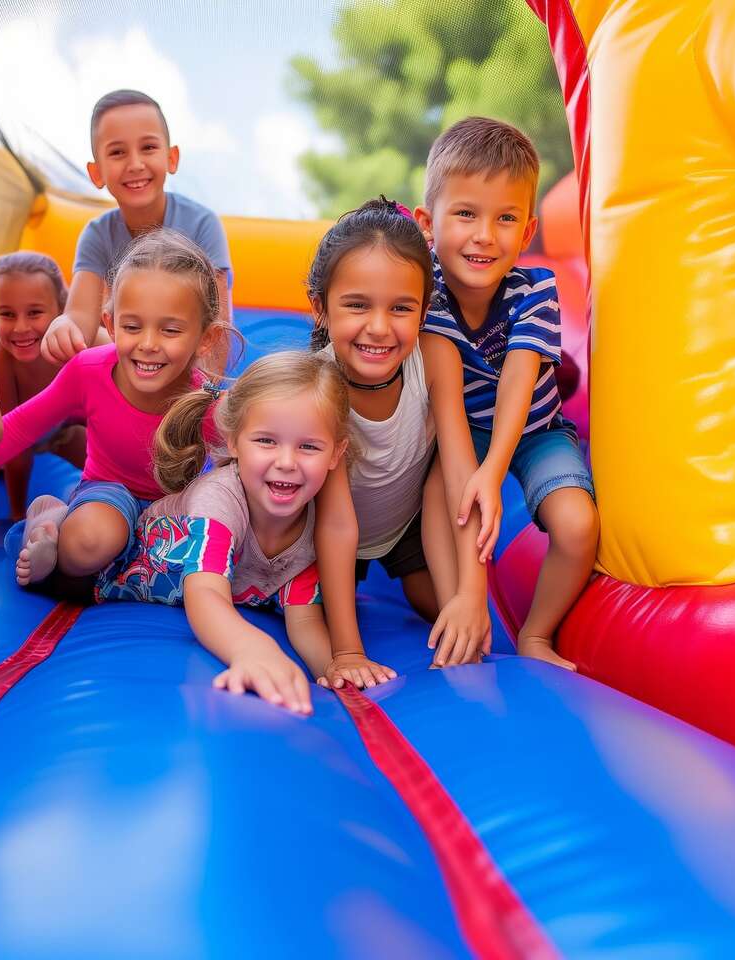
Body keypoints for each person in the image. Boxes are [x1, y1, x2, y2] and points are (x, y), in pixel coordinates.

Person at [97, 351, 376, 713]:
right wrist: (251, 648)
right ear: (233, 442)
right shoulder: (219, 501)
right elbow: (206, 594)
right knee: (77, 548)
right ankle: (46, 518)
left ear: (336, 454)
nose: (287, 462)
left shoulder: (313, 528)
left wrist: (335, 670)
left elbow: (304, 619)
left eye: (308, 446)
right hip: (109, 563)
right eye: (266, 441)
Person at [417, 117, 599, 670]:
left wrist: (494, 473)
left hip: (537, 430)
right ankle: (463, 610)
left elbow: (520, 384)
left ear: (526, 233)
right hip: (463, 430)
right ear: (429, 222)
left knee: (578, 526)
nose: (483, 235)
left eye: (505, 219)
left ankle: (537, 633)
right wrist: (473, 590)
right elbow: (448, 416)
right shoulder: (430, 298)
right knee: (438, 500)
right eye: (466, 214)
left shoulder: (535, 289)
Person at [0, 228, 228, 589]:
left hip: (174, 508)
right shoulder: (89, 371)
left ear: (206, 339)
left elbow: (241, 466)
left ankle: (60, 519)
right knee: (89, 546)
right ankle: (48, 528)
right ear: (109, 323)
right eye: (132, 326)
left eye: (170, 331)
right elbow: (17, 428)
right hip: (108, 494)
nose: (148, 344)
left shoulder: (206, 401)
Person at [310, 198, 498, 676]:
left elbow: (460, 473)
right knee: (310, 614)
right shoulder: (320, 384)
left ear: (423, 309)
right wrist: (348, 651)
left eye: (400, 308)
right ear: (321, 308)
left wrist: (471, 596)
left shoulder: (436, 358)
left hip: (405, 528)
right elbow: (334, 523)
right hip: (320, 534)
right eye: (356, 305)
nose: (379, 328)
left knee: (453, 618)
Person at [39, 89, 233, 373]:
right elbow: (80, 316)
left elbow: (217, 328)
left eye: (148, 148)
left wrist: (202, 392)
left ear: (172, 158)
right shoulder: (97, 234)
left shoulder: (202, 224)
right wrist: (64, 326)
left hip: (187, 364)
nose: (135, 164)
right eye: (117, 152)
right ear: (97, 173)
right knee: (94, 338)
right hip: (137, 364)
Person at [0, 252, 95, 524]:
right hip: (14, 442)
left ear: (63, 310)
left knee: (102, 460)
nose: (21, 327)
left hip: (65, 431)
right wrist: (16, 513)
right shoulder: (1, 362)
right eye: (7, 314)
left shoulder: (82, 345)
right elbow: (7, 445)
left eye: (35, 313)